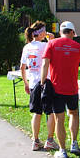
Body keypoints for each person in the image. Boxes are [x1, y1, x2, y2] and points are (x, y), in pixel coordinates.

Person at [41, 21, 80, 158]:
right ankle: (74, 144)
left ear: (61, 32)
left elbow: (45, 63)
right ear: (71, 32)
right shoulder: (78, 46)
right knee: (74, 114)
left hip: (56, 88)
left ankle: (63, 150)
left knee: (59, 119)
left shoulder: (51, 44)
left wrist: (42, 82)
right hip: (72, 89)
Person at [20, 21, 59, 151]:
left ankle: (35, 141)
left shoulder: (27, 47)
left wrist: (26, 83)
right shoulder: (46, 45)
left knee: (36, 113)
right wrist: (52, 39)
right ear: (41, 33)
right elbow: (54, 56)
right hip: (46, 81)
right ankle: (50, 140)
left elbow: (22, 67)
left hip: (33, 83)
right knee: (51, 112)